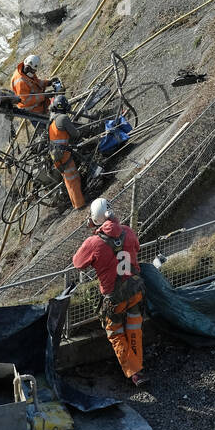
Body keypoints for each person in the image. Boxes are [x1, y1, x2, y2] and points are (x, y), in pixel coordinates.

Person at [72, 198, 147, 386]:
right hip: (135, 290)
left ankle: (135, 372)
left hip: (114, 298)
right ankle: (138, 366)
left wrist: (93, 237)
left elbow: (78, 263)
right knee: (134, 327)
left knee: (114, 332)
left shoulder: (93, 243)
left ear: (94, 219)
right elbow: (136, 247)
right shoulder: (128, 232)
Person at [47, 94, 86, 209]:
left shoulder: (52, 121)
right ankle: (80, 206)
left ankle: (76, 204)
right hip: (64, 155)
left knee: (69, 181)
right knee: (73, 180)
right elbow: (75, 134)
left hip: (56, 156)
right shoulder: (63, 118)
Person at [11, 53, 52, 117]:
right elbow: (25, 101)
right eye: (32, 71)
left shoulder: (26, 73)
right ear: (27, 67)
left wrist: (47, 82)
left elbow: (36, 82)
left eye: (33, 71)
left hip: (39, 106)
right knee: (44, 126)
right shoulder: (20, 82)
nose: (33, 72)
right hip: (32, 111)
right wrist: (44, 96)